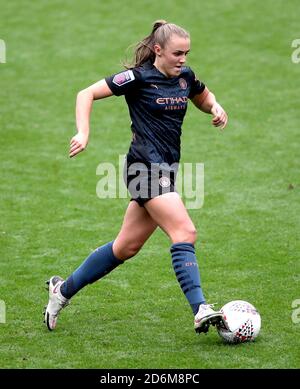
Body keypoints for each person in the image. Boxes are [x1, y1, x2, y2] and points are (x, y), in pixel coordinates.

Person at [44, 20, 228, 334]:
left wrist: (215, 107)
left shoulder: (185, 77)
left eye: (186, 53)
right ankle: (200, 309)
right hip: (143, 168)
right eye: (176, 53)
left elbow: (202, 96)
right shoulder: (138, 78)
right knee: (185, 231)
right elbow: (85, 93)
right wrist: (83, 132)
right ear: (158, 50)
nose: (183, 59)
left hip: (167, 169)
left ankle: (61, 291)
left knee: (125, 247)